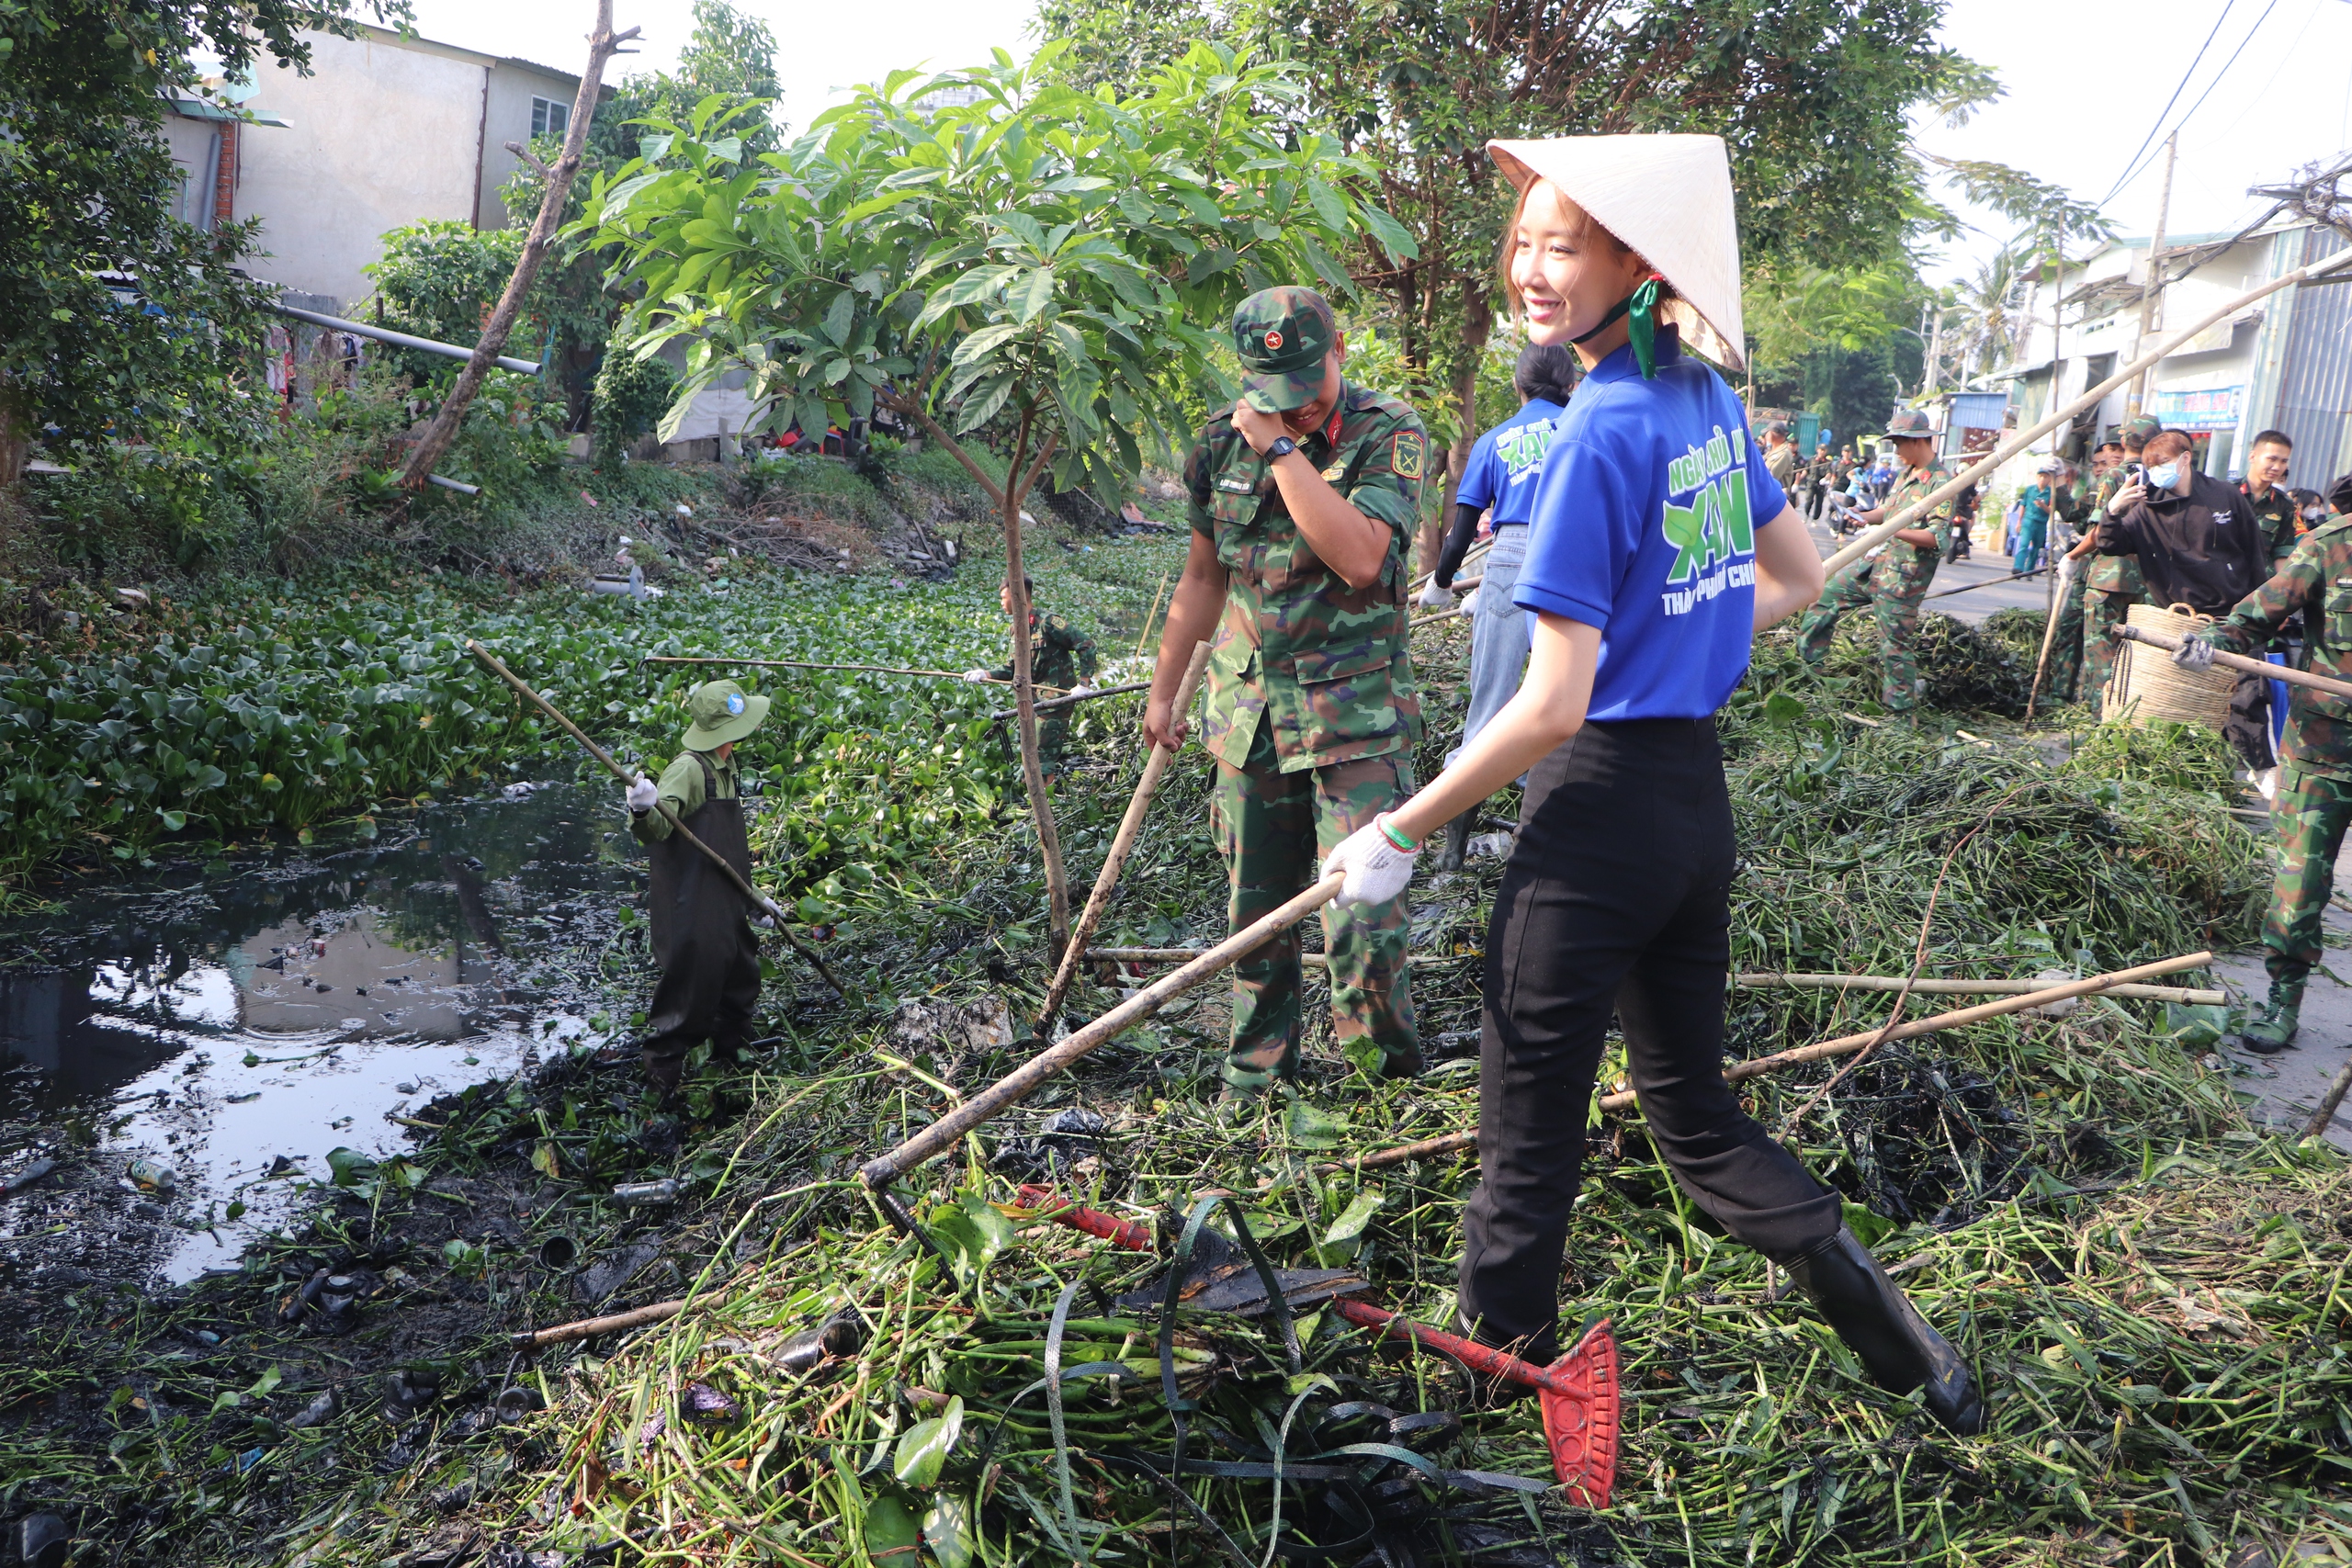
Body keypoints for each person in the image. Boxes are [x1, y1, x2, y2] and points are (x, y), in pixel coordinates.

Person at [1317, 132, 1980, 1434]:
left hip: (1596, 810)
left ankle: (1480, 1397)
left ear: (1636, 261)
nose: (1529, 268)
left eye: (1562, 244)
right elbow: (1804, 572)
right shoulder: (1703, 400)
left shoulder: (1590, 436)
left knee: (1526, 1131)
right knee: (1693, 1114)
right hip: (1691, 809)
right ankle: (1906, 1346)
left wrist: (1395, 827)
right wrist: (1693, 641)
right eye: (1523, 241)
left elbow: (1549, 703)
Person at [1143, 285, 1427, 1096]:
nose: (1297, 410)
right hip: (1250, 715)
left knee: (1364, 917)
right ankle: (1259, 1084)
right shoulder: (1212, 448)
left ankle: (1387, 1088)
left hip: (1356, 718)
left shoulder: (1389, 431)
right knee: (1255, 916)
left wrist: (1282, 453)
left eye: (1309, 387)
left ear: (1339, 350)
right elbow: (1203, 577)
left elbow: (1361, 558)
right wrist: (1165, 690)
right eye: (1278, 398)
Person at [2172, 468, 2352, 1052]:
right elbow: (2251, 619)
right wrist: (2213, 645)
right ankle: (2283, 999)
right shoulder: (2329, 548)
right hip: (2324, 750)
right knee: (2300, 888)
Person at [1419, 343, 1578, 869]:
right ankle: (1546, 843)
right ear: (1569, 384)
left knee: (1488, 707)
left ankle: (1451, 858)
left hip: (1507, 561)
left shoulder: (1494, 439)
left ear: (1519, 386)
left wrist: (1442, 583)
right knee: (1566, 701)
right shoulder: (1585, 429)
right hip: (1573, 562)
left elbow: (1463, 528)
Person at [625, 680, 771, 1098]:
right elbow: (655, 829)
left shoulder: (727, 768)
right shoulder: (688, 769)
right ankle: (661, 1085)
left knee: (741, 981)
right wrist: (642, 808)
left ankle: (733, 1069)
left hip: (726, 899)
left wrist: (753, 898)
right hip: (692, 906)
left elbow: (726, 848)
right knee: (688, 998)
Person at [2098, 428, 2273, 769]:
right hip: (2180, 618)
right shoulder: (2146, 506)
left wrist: (2260, 614)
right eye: (2151, 465)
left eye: (2163, 463)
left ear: (2185, 459)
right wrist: (2113, 510)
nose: (2157, 470)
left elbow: (2254, 553)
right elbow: (2110, 544)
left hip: (2231, 616)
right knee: (2180, 701)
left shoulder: (2225, 496)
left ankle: (2251, 773)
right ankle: (2183, 768)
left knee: (2247, 697)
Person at [1795, 410, 1958, 721]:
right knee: (1823, 596)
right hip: (1874, 567)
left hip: (1903, 579)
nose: (1895, 450)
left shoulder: (1941, 483)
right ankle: (1807, 673)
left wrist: (1890, 529)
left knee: (1895, 646)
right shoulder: (1906, 472)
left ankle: (1900, 717)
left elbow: (1937, 538)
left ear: (1919, 441)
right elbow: (1890, 510)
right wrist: (1861, 517)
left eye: (1899, 442)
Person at [966, 576, 1098, 783]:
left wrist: (1083, 684)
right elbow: (1012, 669)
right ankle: (1037, 799)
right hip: (1032, 702)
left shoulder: (1048, 622)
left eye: (1004, 597)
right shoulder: (1016, 628)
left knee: (1041, 759)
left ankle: (1045, 803)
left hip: (1056, 700)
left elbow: (1086, 645)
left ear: (1019, 597)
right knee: (1030, 755)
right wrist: (985, 674)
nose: (1001, 603)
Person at [2070, 416, 2160, 713]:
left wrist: (2071, 556)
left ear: (2123, 443)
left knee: (2102, 656)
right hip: (2148, 582)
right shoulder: (2164, 480)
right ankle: (2129, 719)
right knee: (2136, 658)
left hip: (2108, 581)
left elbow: (2098, 533)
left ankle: (2102, 720)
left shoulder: (2114, 477)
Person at [2241, 428, 2300, 566]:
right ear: (2252, 457)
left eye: (2284, 461)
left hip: (2260, 583)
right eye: (2272, 459)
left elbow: (2282, 551)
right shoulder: (2225, 492)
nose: (2277, 467)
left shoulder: (2285, 504)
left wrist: (2280, 585)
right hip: (2221, 581)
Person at [2013, 459, 2061, 573]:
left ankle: (2029, 570)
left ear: (2049, 479)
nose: (2042, 479)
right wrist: (2019, 521)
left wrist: (2043, 505)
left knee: (2036, 548)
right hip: (2028, 521)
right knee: (2024, 544)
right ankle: (2018, 567)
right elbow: (2023, 505)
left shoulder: (2051, 492)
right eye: (2040, 476)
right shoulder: (2030, 490)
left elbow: (2051, 510)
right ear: (2037, 477)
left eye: (2045, 477)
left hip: (2041, 523)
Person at [1762, 419, 1799, 491]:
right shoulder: (1772, 451)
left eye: (1766, 434)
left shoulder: (1783, 453)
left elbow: (1770, 477)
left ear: (1770, 434)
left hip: (1775, 496)